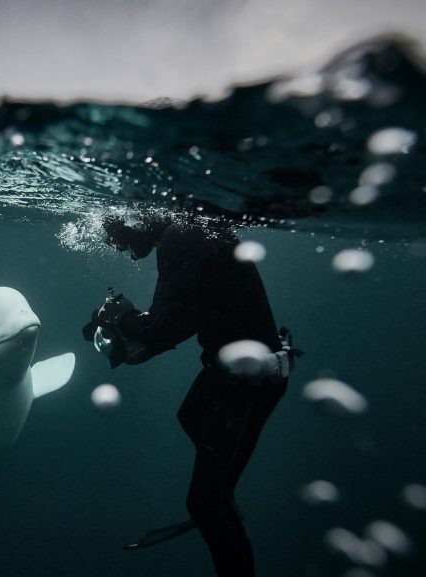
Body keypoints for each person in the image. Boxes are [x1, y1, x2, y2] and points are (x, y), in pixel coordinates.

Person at [84, 213, 294, 577]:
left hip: (249, 383)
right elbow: (188, 316)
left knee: (203, 504)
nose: (125, 251)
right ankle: (223, 495)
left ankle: (219, 502)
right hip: (230, 372)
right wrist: (131, 328)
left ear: (134, 219)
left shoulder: (180, 237)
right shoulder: (191, 230)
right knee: (190, 415)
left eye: (119, 238)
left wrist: (121, 319)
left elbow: (162, 326)